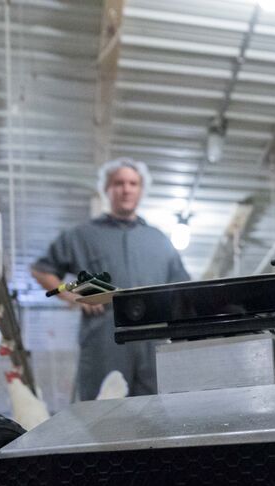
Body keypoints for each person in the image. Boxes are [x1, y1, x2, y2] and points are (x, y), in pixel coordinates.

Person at [31, 157, 189, 400]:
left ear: (141, 190)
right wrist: (72, 296)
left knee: (158, 412)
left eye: (133, 183)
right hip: (104, 341)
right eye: (119, 183)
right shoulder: (82, 235)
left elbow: (183, 289)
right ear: (107, 189)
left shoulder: (159, 240)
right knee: (101, 415)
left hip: (153, 342)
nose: (126, 189)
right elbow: (42, 270)